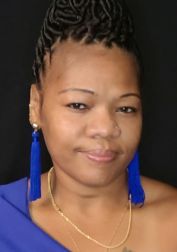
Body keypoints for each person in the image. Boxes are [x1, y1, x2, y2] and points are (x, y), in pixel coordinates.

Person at [0, 0, 177, 251]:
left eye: (126, 108)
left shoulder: (172, 223)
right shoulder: (5, 220)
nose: (105, 128)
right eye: (79, 105)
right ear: (35, 105)